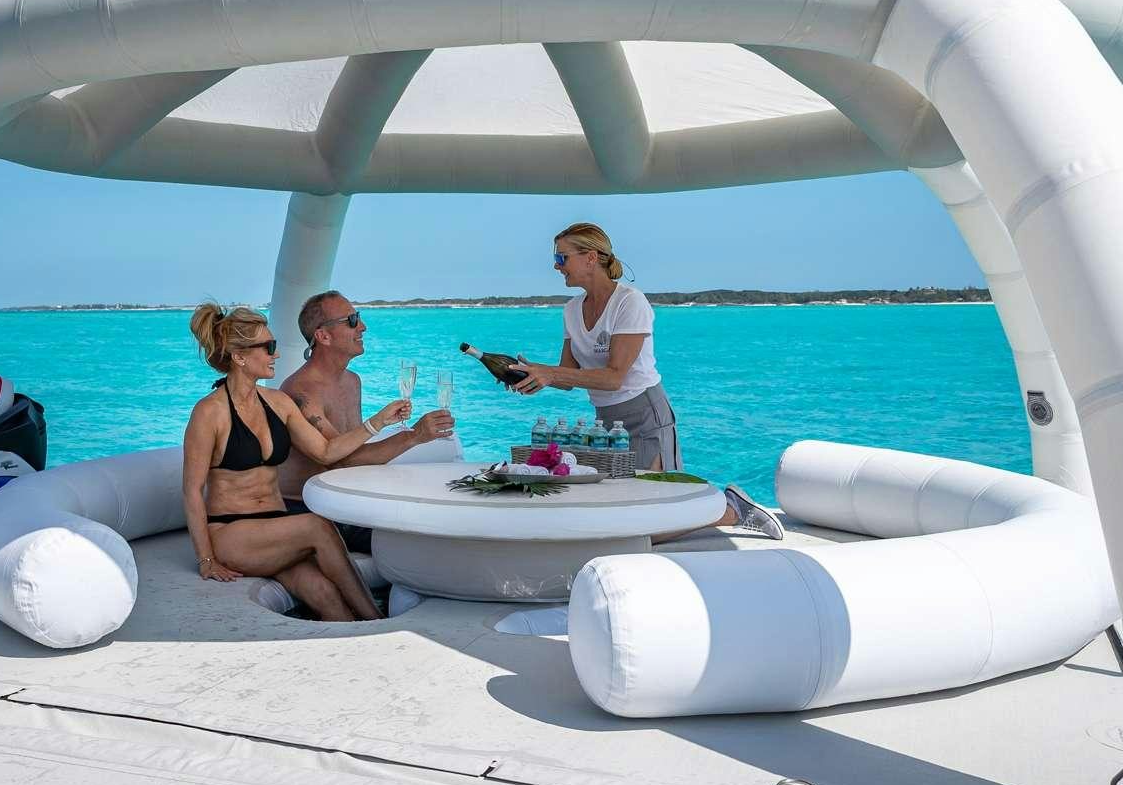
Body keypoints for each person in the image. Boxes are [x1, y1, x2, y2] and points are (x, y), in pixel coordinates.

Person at [510, 222, 784, 541]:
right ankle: (727, 509)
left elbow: (614, 378)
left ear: (591, 257)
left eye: (562, 258)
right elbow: (568, 377)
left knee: (649, 526)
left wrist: (552, 373)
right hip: (606, 425)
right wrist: (530, 375)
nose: (556, 267)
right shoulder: (571, 310)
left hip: (645, 417)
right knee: (620, 520)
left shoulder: (630, 302)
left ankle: (732, 510)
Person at [180, 303, 407, 621]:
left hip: (277, 527)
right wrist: (205, 559)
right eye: (269, 347)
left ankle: (355, 649)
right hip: (231, 532)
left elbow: (326, 452)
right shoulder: (209, 412)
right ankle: (378, 622)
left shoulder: (279, 402)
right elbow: (192, 490)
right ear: (240, 356)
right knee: (318, 526)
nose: (276, 354)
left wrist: (378, 422)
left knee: (323, 593)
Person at [278, 290, 456, 552]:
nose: (362, 326)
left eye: (358, 317)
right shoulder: (301, 392)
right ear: (323, 336)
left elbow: (355, 455)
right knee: (419, 543)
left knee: (436, 524)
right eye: (351, 320)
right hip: (310, 506)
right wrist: (414, 435)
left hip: (343, 499)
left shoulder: (352, 381)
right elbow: (340, 459)